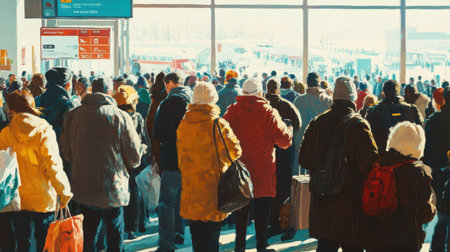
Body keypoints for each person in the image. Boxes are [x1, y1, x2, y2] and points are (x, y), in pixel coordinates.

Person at [60, 77, 144, 252]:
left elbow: (66, 154)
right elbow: (134, 158)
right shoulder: (121, 116)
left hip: (83, 186)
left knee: (88, 234)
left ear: (90, 90)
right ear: (109, 92)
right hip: (113, 187)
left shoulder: (73, 115)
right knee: (114, 233)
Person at [299, 76, 378, 252]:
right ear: (353, 99)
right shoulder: (358, 125)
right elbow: (371, 164)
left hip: (323, 200)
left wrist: (324, 170)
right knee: (352, 246)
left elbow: (303, 159)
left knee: (326, 246)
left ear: (334, 97)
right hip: (351, 203)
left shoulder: (317, 122)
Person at [224, 78, 293, 252]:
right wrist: (289, 129)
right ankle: (261, 245)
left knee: (241, 210)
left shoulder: (232, 111)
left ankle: (239, 246)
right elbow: (284, 141)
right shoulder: (268, 112)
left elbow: (222, 139)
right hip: (263, 169)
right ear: (260, 93)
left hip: (239, 170)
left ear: (244, 93)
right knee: (262, 209)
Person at [0, 90, 72, 252]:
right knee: (45, 242)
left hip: (17, 198)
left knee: (22, 242)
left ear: (11, 108)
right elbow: (52, 164)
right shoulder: (44, 131)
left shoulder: (5, 134)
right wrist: (64, 192)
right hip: (43, 197)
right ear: (31, 105)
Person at [177, 81, 242, 251]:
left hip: (191, 187)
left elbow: (180, 155)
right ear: (213, 98)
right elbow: (235, 152)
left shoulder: (184, 123)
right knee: (212, 237)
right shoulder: (218, 123)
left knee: (197, 237)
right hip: (213, 188)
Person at [366, 122, 436, 252]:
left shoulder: (379, 165)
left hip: (376, 238)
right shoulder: (419, 172)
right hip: (405, 240)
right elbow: (425, 213)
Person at [153, 72, 192, 252]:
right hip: (191, 160)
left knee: (166, 204)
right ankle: (180, 233)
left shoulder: (167, 104)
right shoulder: (193, 102)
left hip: (172, 159)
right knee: (182, 201)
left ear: (169, 83)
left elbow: (158, 134)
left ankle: (166, 244)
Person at [264, 78, 302, 240]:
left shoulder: (263, 106)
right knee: (285, 187)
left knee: (269, 187)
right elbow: (298, 123)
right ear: (278, 89)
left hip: (267, 151)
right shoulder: (287, 105)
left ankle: (272, 222)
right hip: (285, 152)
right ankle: (284, 222)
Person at [113, 85, 150, 239]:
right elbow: (144, 139)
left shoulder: (114, 116)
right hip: (134, 161)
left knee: (118, 193)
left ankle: (120, 227)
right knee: (134, 194)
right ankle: (132, 228)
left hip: (117, 161)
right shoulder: (137, 117)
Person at [365, 79, 422, 155]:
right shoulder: (412, 109)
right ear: (398, 92)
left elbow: (369, 137)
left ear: (383, 93)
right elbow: (420, 132)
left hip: (383, 157)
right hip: (407, 156)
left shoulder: (373, 110)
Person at [425, 87, 450, 252]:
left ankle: (438, 248)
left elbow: (427, 151)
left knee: (443, 217)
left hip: (440, 174)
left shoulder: (434, 120)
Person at [293, 72, 333, 174]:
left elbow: (294, 125)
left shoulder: (299, 100)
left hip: (302, 147)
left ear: (307, 83)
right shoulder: (328, 101)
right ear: (319, 84)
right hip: (323, 148)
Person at [37, 66, 78, 138]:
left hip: (38, 146)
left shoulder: (36, 100)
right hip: (59, 147)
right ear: (68, 85)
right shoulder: (69, 105)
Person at [146, 72, 167, 169]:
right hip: (165, 146)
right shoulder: (166, 101)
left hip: (154, 144)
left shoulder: (153, 102)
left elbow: (148, 126)